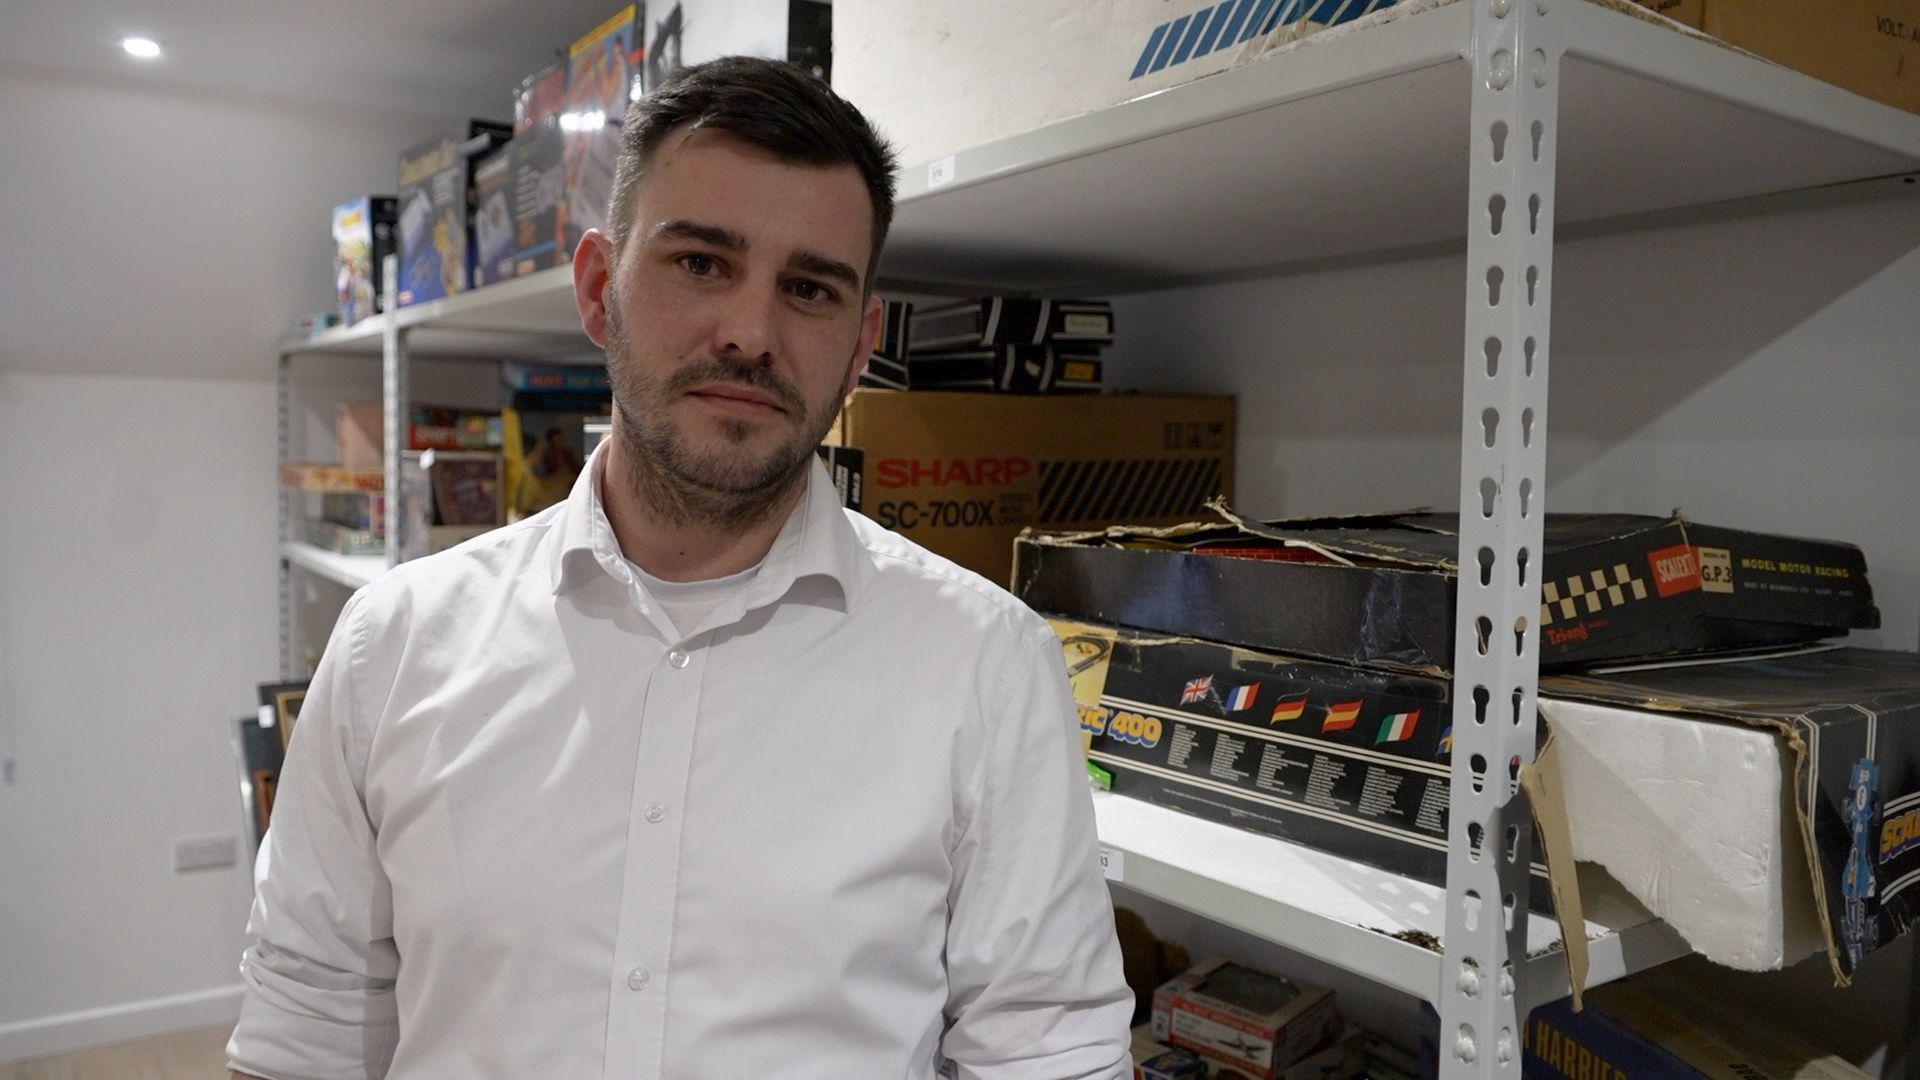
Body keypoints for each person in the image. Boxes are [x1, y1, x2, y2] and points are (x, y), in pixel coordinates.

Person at [228, 56, 1132, 1079]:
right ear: (599, 287)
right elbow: (304, 1027)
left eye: (809, 288)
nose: (751, 333)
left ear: (860, 341)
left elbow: (1048, 1052)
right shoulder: (394, 645)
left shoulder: (987, 662)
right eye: (702, 263)